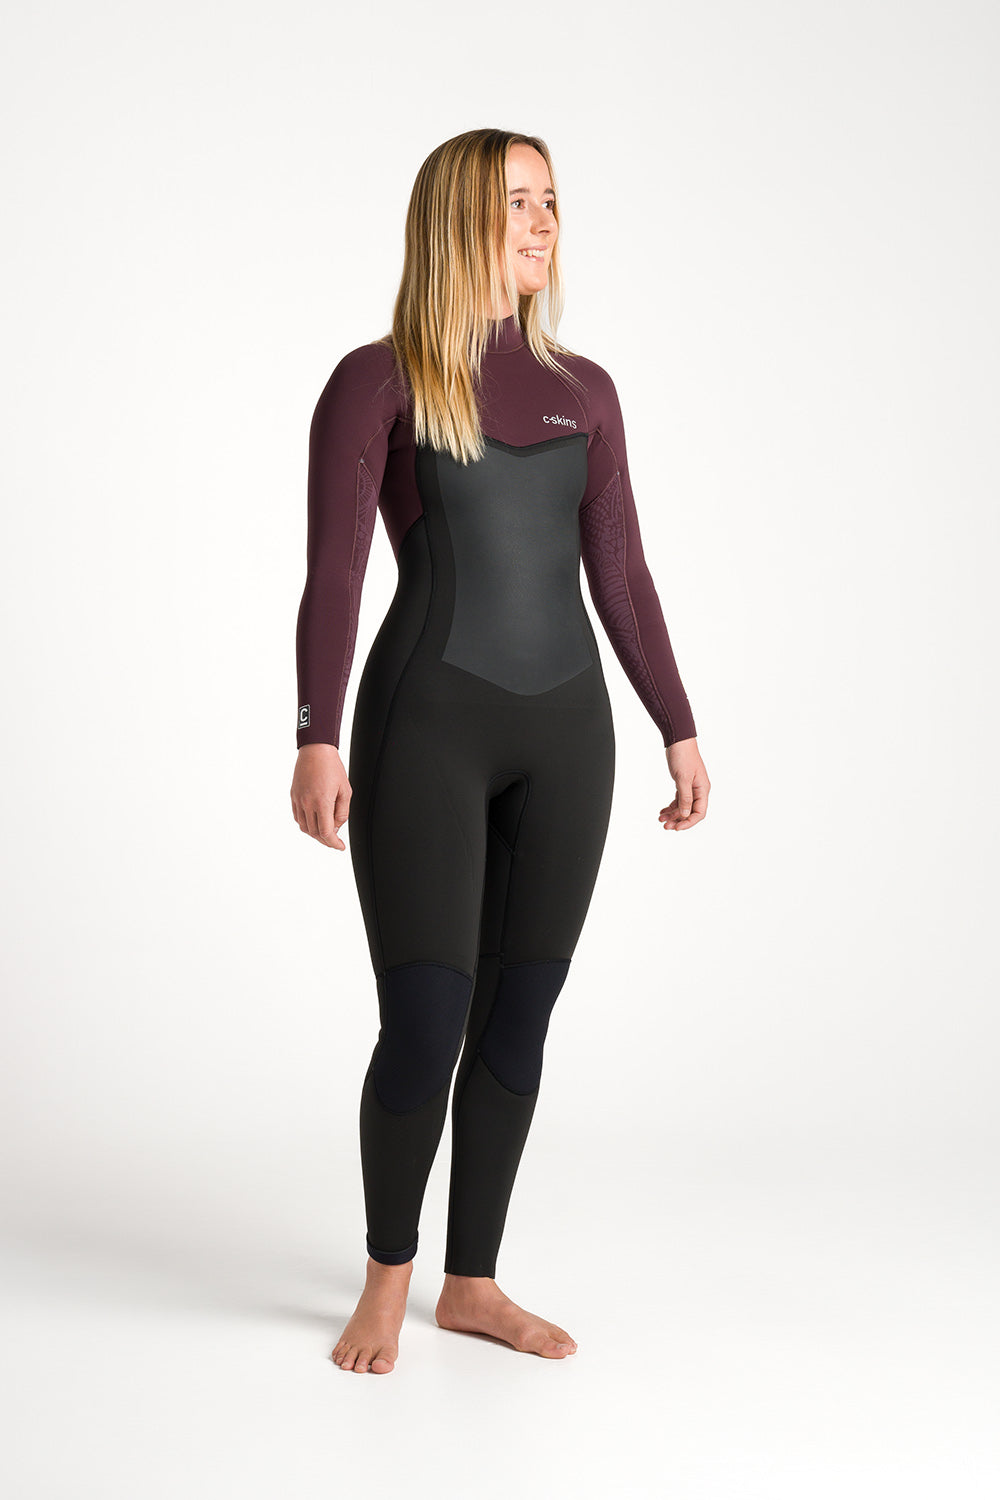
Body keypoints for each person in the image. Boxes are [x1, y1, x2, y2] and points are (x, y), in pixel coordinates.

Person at [290, 128, 710, 1375]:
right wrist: (316, 734)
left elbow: (621, 575)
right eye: (515, 201)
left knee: (519, 1019)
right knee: (426, 1021)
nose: (541, 222)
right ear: (455, 221)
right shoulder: (377, 380)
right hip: (427, 728)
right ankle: (388, 1279)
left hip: (567, 736)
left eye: (550, 201)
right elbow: (333, 574)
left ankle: (471, 1283)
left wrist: (677, 723)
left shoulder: (587, 390)